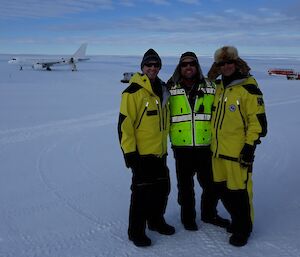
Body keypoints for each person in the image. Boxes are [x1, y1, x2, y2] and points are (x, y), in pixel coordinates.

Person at [207, 46, 268, 246]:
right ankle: (236, 221)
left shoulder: (248, 88)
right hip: (217, 152)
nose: (226, 67)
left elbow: (258, 123)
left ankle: (244, 229)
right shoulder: (217, 87)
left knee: (240, 193)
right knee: (223, 190)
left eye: (229, 62)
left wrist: (249, 147)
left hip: (237, 154)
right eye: (222, 64)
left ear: (237, 63)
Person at [118, 49, 175, 247]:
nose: (152, 68)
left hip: (160, 152)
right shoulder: (133, 92)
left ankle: (156, 221)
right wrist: (130, 155)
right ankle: (136, 232)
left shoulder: (164, 88)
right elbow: (125, 126)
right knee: (141, 194)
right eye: (148, 65)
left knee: (162, 190)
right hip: (142, 155)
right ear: (142, 67)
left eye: (156, 65)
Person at [168, 52, 230, 231]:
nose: (188, 67)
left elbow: (230, 93)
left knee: (211, 184)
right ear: (180, 68)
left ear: (197, 67)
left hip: (206, 146)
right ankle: (188, 218)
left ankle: (209, 214)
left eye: (192, 64)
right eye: (184, 64)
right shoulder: (170, 88)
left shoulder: (211, 86)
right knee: (185, 187)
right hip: (182, 147)